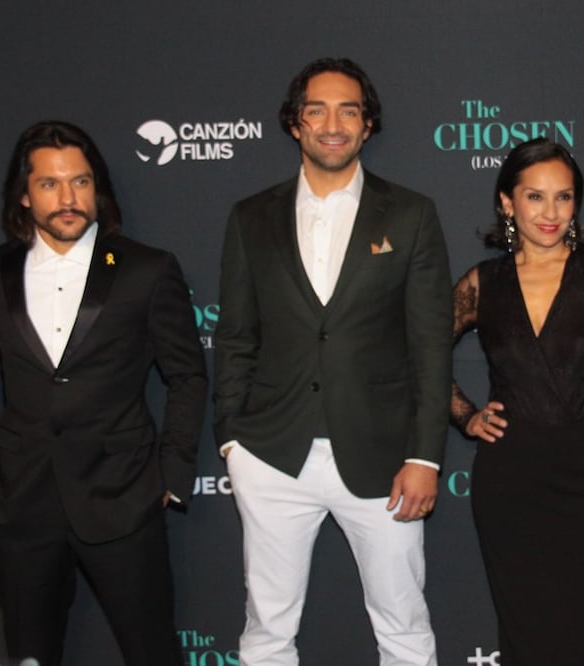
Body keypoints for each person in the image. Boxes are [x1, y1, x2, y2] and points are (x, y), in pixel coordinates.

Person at [213, 58, 452, 666]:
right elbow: (236, 336)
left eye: (348, 109)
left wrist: (424, 455)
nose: (332, 123)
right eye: (316, 109)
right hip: (272, 454)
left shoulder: (411, 214)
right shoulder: (250, 218)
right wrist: (232, 444)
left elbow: (430, 345)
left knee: (403, 622)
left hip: (383, 461)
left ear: (367, 124)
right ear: (295, 123)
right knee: (267, 630)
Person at [0, 120, 208, 666]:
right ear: (24, 195)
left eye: (81, 182)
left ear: (98, 188)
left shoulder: (145, 269)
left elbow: (187, 374)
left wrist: (171, 472)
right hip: (19, 500)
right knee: (30, 654)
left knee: (152, 654)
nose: (68, 198)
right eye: (49, 184)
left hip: (123, 496)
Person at [450, 138, 584, 666]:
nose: (551, 212)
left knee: (577, 631)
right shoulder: (482, 283)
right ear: (507, 202)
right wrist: (466, 415)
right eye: (535, 197)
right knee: (521, 633)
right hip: (509, 479)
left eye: (564, 197)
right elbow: (418, 356)